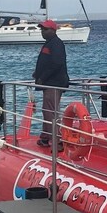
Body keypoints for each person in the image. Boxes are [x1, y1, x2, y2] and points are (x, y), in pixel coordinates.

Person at [32, 19, 69, 148]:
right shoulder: (50, 43)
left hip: (53, 83)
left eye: (45, 29)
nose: (43, 32)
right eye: (42, 29)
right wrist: (37, 73)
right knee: (47, 110)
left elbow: (56, 63)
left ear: (53, 30)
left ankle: (57, 141)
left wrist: (42, 77)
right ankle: (46, 137)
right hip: (49, 82)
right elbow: (49, 62)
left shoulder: (56, 44)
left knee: (50, 112)